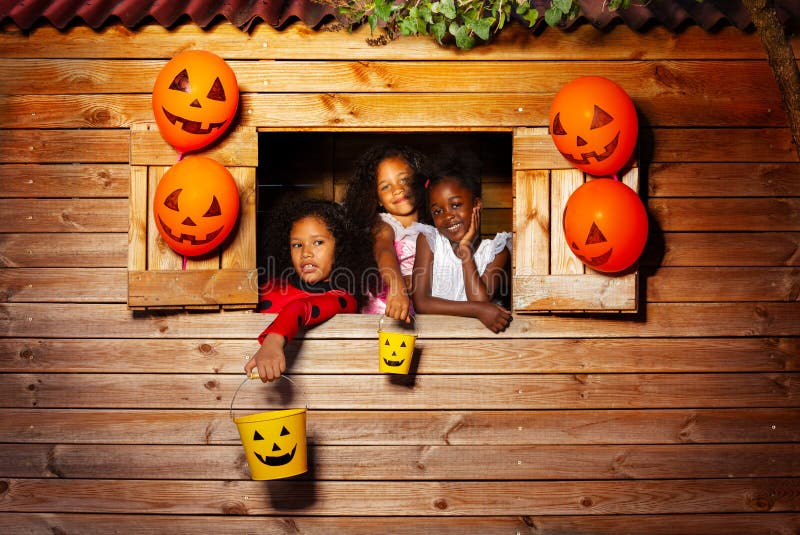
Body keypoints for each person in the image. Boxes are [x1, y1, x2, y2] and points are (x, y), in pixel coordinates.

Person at [245, 199, 369, 381]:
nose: (306, 253)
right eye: (297, 245)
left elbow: (300, 308)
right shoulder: (270, 285)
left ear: (340, 247)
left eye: (318, 242)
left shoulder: (343, 298)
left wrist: (273, 342)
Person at [411, 150, 512, 333]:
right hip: (434, 339)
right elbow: (422, 303)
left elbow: (481, 300)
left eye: (456, 205)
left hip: (477, 345)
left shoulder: (496, 250)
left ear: (477, 204)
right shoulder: (429, 241)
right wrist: (476, 310)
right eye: (437, 211)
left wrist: (466, 251)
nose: (448, 216)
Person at [343, 144, 429, 321]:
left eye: (404, 179)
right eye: (385, 187)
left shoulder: (432, 226)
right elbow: (384, 250)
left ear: (419, 181)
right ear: (378, 200)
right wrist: (397, 287)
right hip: (388, 306)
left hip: (426, 306)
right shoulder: (384, 224)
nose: (397, 189)